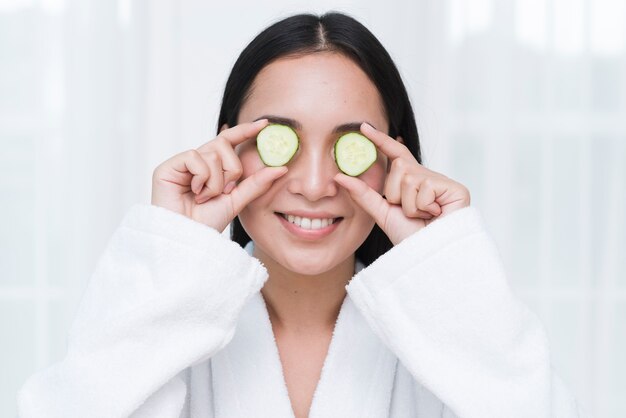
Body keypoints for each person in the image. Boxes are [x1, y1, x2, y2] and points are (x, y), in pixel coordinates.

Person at [17, 11, 586, 418]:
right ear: (230, 149)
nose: (315, 186)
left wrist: (445, 262)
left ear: (396, 160)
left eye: (349, 147)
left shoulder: (443, 329)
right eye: (278, 141)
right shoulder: (171, 320)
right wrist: (173, 250)